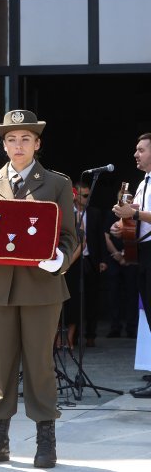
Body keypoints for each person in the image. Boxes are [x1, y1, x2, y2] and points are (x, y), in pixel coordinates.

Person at [0, 110, 76, 468]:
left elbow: (72, 237)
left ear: (37, 144)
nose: (18, 145)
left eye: (25, 139)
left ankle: (46, 439)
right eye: (11, 139)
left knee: (40, 364)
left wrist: (59, 258)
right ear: (3, 144)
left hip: (41, 287)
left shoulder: (56, 184)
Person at [111, 132, 151, 398]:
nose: (136, 154)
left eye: (141, 150)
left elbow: (139, 214)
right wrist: (122, 225)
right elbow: (136, 217)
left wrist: (133, 214)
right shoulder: (142, 183)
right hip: (144, 251)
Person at [63, 182, 107, 348]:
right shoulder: (68, 213)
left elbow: (100, 238)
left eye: (88, 195)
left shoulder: (94, 213)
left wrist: (103, 260)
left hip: (90, 259)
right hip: (73, 261)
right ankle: (71, 338)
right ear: (75, 196)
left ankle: (91, 335)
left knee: (92, 299)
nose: (86, 199)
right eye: (83, 195)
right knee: (73, 299)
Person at [103, 209, 139, 339]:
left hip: (132, 258)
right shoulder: (111, 214)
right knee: (113, 294)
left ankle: (132, 328)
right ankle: (115, 327)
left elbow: (141, 234)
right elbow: (106, 236)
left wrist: (127, 255)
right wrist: (116, 254)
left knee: (132, 293)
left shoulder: (136, 214)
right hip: (114, 258)